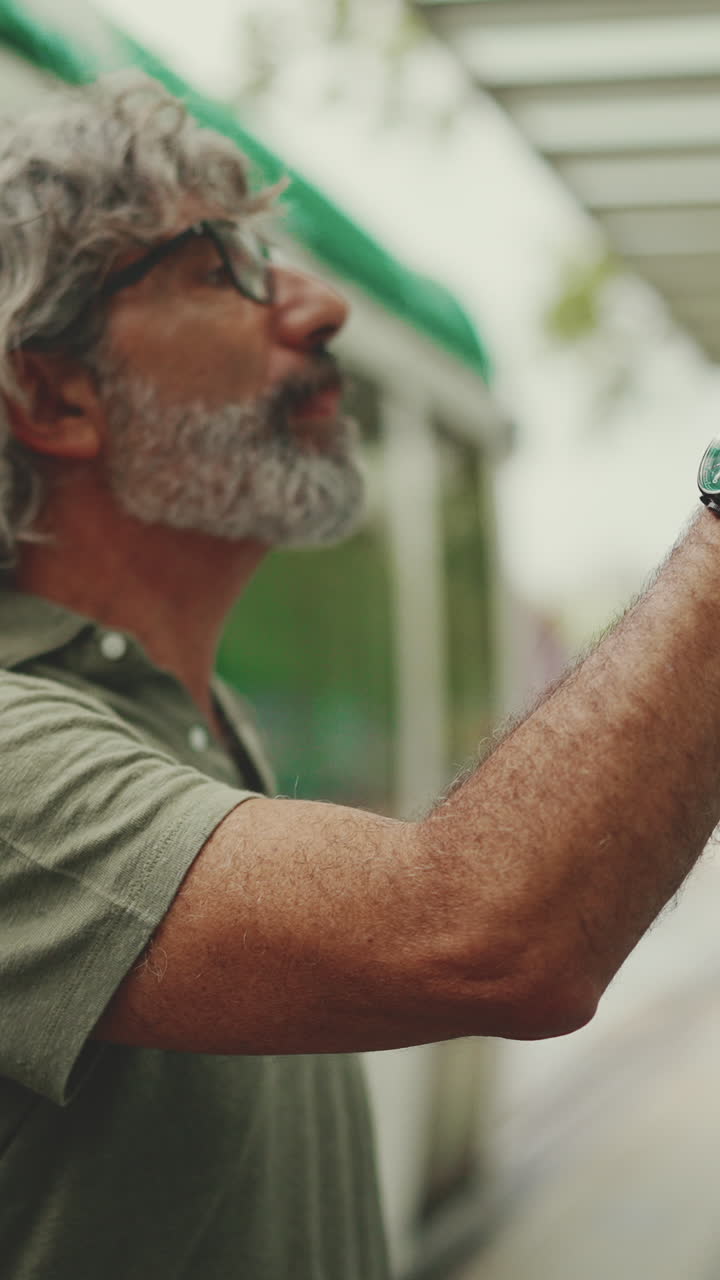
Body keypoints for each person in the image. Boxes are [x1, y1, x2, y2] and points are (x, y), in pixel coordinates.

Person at [0, 68, 719, 1280]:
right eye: (218, 262)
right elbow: (488, 928)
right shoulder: (16, 760)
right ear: (53, 393)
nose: (320, 307)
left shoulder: (194, 721)